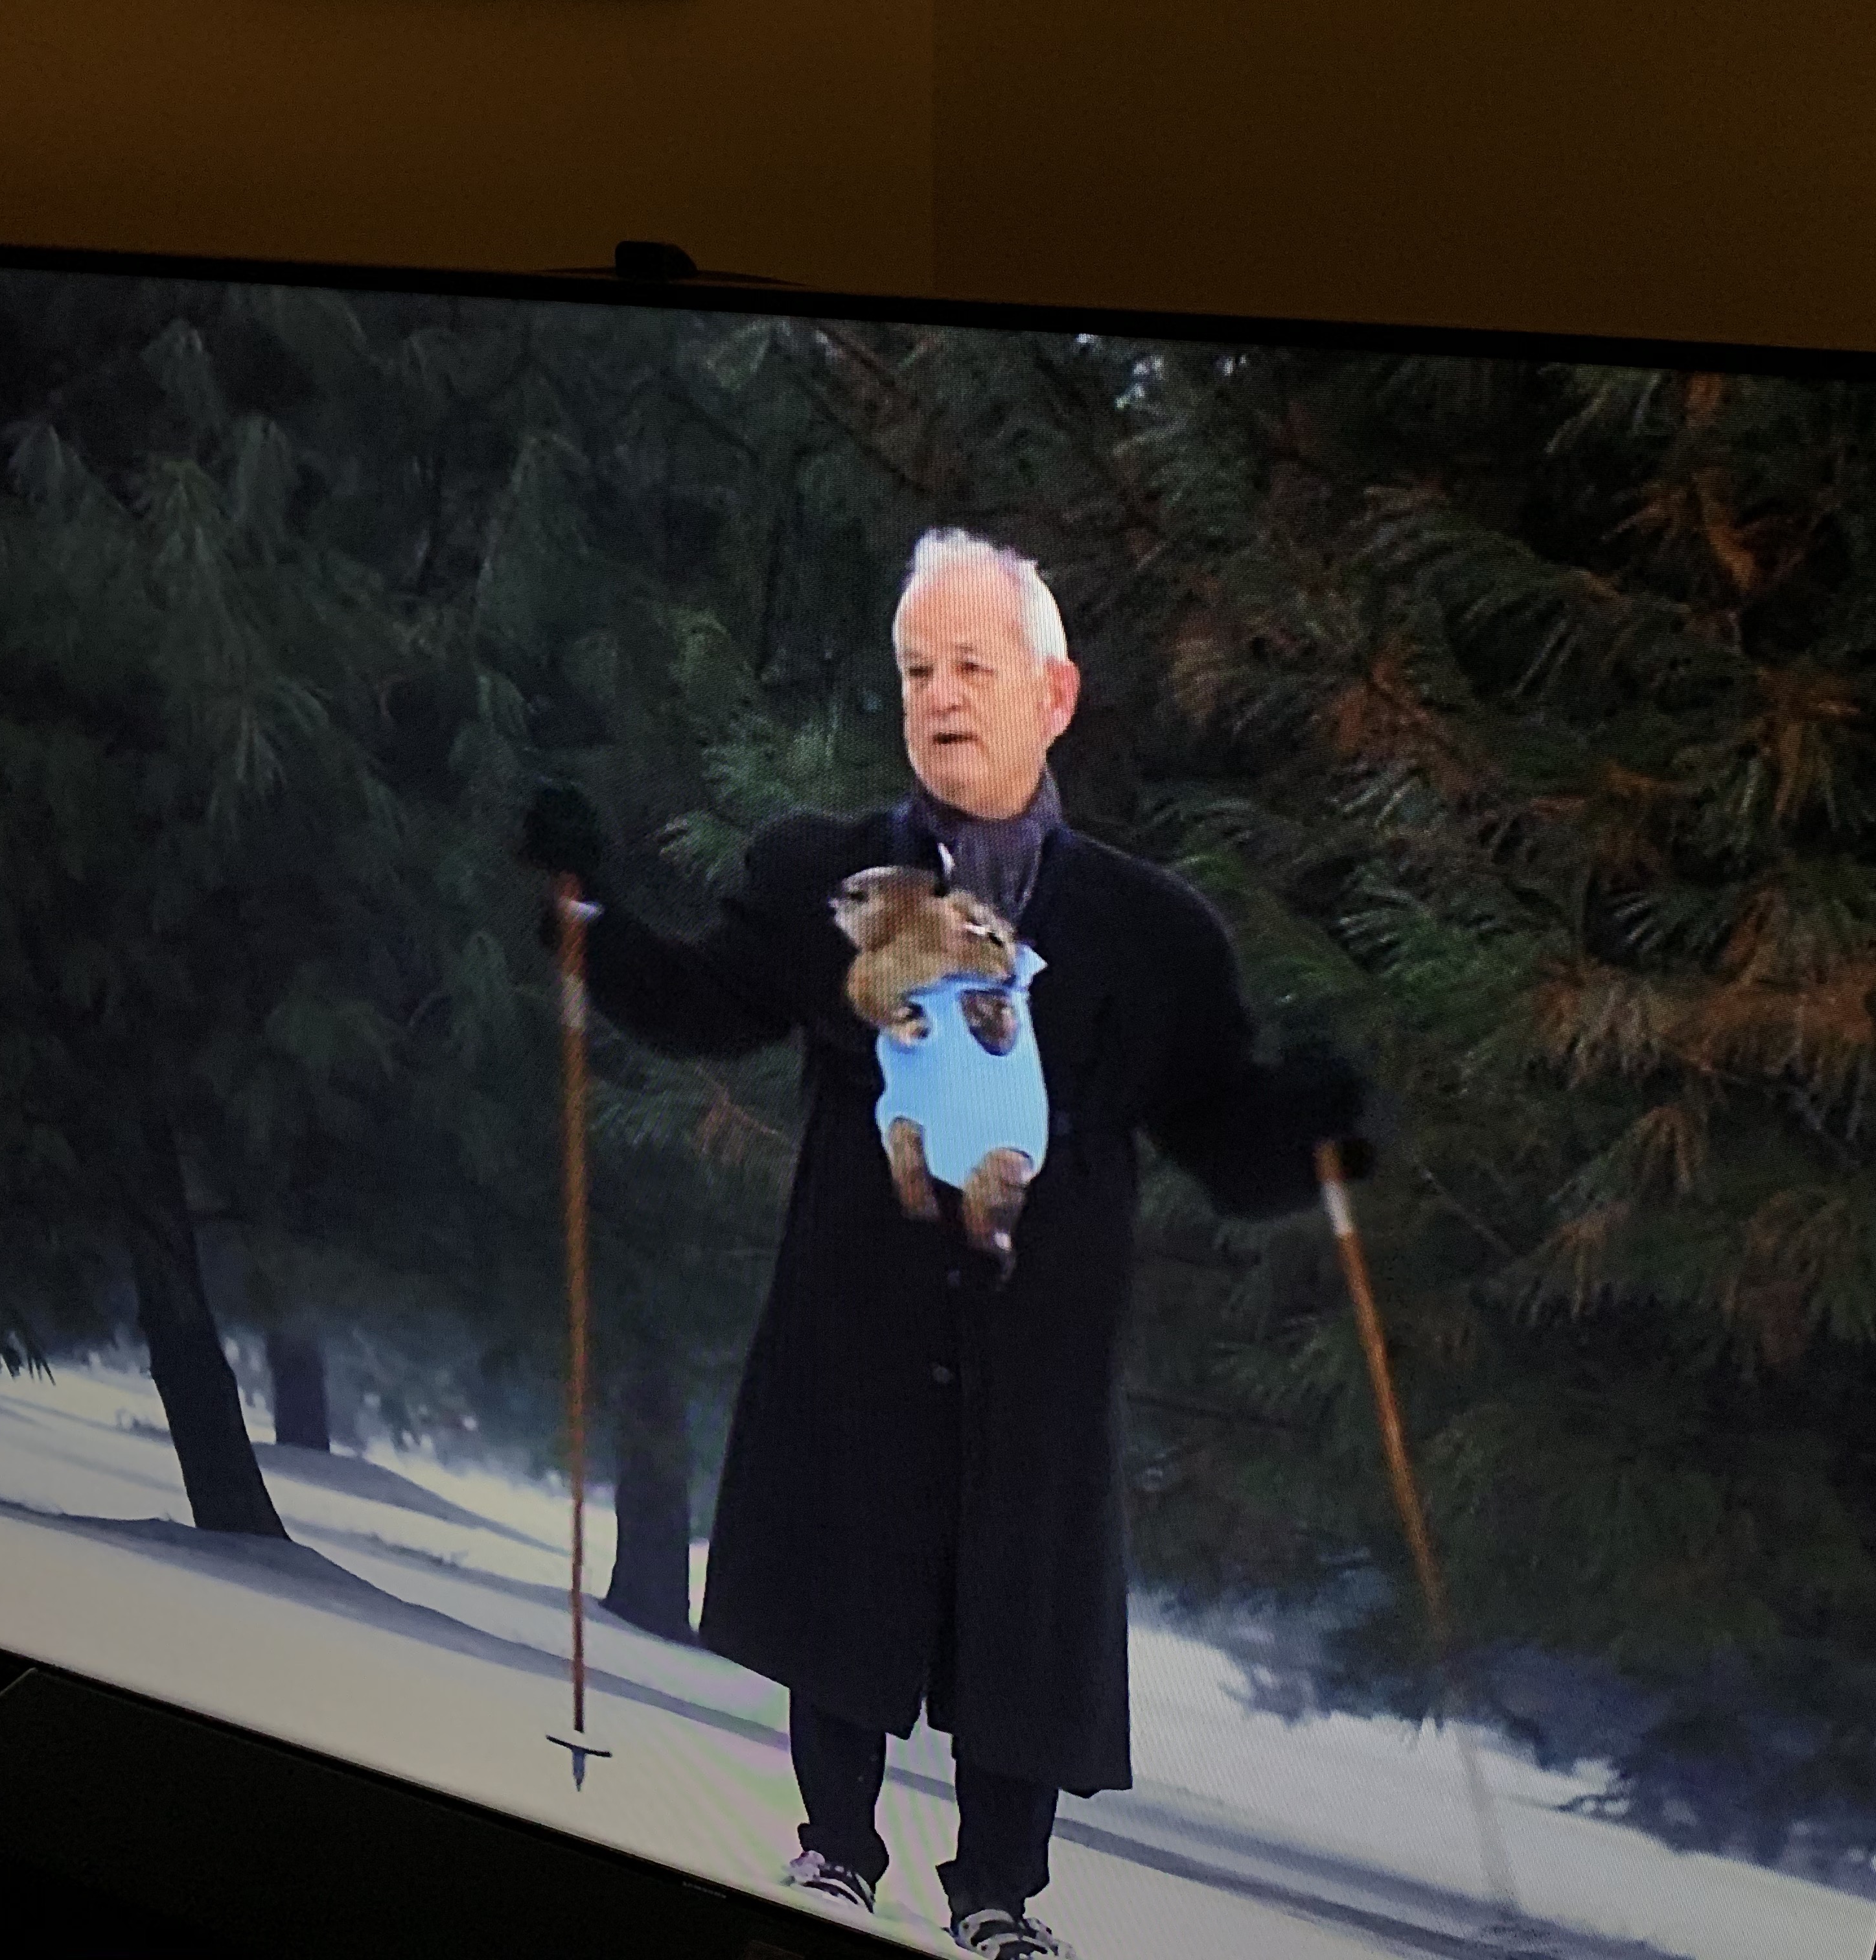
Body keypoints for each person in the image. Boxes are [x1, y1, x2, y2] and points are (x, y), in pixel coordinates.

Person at [522, 529, 1373, 1960]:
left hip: (1040, 1351)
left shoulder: (1153, 934)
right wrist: (585, 917)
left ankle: (998, 1896)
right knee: (847, 1570)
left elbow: (1225, 1137)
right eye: (918, 669)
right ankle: (835, 1850)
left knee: (1018, 1608)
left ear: (1055, 694)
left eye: (972, 665)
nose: (940, 695)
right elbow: (703, 1002)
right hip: (859, 1318)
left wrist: (1317, 1126)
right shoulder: (829, 878)